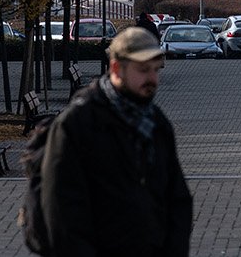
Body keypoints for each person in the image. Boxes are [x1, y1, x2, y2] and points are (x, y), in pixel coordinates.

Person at [41, 26, 193, 257]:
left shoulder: (155, 123)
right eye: (143, 70)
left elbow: (178, 199)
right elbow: (62, 214)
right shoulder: (76, 124)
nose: (152, 79)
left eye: (155, 70)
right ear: (116, 68)